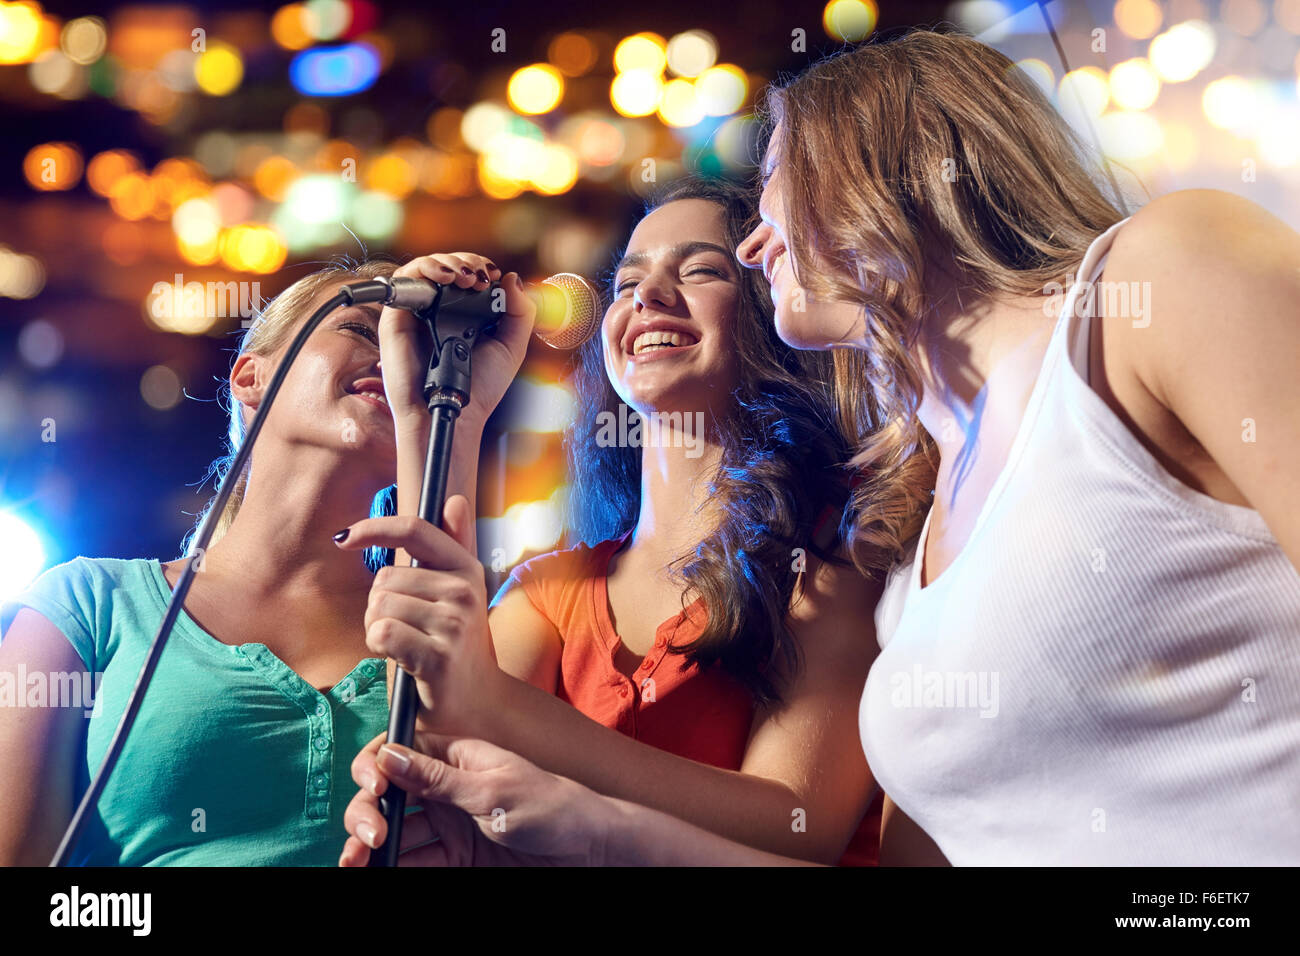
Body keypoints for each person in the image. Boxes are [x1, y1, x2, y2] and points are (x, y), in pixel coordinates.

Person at [338, 27, 1300, 866]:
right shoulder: (924, 540)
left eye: (771, 196)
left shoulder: (1159, 272)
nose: (760, 246)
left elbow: (797, 824)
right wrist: (577, 834)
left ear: (884, 162)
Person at [334, 176, 886, 867]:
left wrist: (494, 706)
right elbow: (429, 714)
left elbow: (799, 823)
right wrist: (439, 416)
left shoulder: (833, 559)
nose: (648, 296)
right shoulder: (552, 592)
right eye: (627, 284)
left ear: (772, 305)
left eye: (702, 270)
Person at [0, 252, 533, 865]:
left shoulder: (449, 634)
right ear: (251, 377)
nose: (392, 360)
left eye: (413, 346)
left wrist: (453, 411)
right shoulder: (89, 605)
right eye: (363, 329)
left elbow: (474, 800)